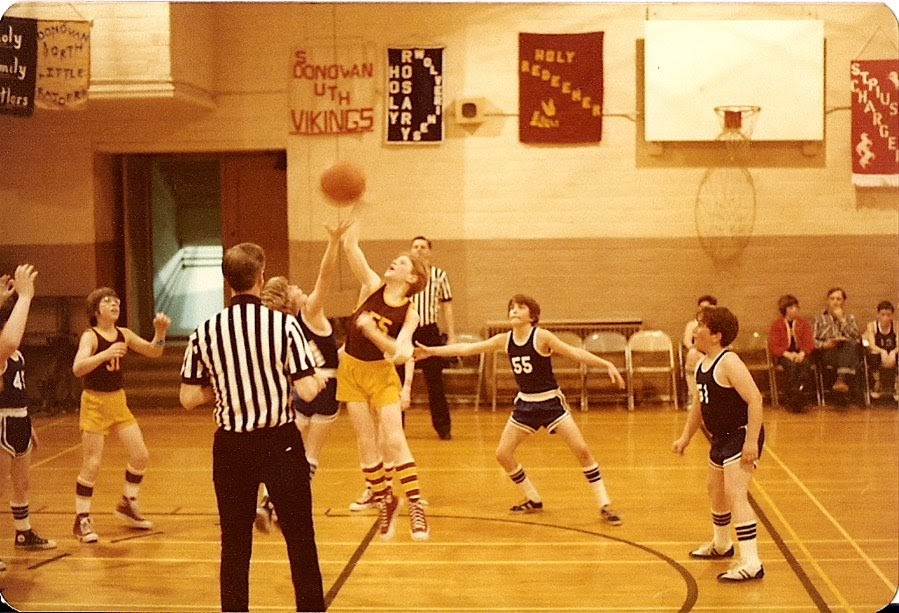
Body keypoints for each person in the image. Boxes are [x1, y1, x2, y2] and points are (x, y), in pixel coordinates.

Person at [179, 242, 326, 612]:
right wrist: (319, 379)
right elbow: (307, 388)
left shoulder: (205, 330)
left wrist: (226, 382)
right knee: (300, 539)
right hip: (280, 443)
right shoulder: (284, 326)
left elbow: (187, 398)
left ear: (228, 282)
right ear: (261, 278)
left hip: (231, 447)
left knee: (235, 543)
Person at [415, 294, 626, 525]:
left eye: (520, 307)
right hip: (526, 404)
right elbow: (468, 348)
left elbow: (574, 353)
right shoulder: (505, 339)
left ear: (532, 315)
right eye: (511, 308)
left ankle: (604, 503)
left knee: (582, 450)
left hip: (550, 403)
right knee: (503, 454)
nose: (514, 311)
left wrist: (605, 363)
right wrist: (432, 351)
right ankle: (533, 498)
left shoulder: (542, 336)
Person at [336, 209, 431, 541]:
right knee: (365, 444)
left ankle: (416, 506)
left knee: (393, 438)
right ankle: (385, 500)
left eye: (402, 263)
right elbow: (351, 247)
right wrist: (358, 205)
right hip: (350, 369)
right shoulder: (372, 286)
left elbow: (401, 353)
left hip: (381, 374)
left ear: (412, 279)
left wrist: (373, 333)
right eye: (396, 259)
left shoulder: (410, 313)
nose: (395, 262)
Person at [254, 220, 350, 532]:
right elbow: (324, 276)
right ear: (290, 298)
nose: (300, 288)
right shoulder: (310, 312)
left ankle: (268, 501)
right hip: (325, 388)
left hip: (298, 389)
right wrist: (333, 242)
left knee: (286, 452)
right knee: (310, 454)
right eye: (294, 287)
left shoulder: (281, 326)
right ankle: (282, 508)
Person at [672, 306, 765, 583]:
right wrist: (685, 438)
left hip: (741, 434)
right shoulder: (702, 364)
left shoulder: (729, 362)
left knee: (735, 493)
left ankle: (751, 562)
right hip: (721, 438)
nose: (695, 329)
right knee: (715, 490)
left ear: (716, 335)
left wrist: (751, 442)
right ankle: (722, 544)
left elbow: (755, 400)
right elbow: (698, 406)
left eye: (701, 325)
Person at [71, 287, 170, 544]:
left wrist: (160, 333)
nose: (114, 304)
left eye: (116, 300)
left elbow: (154, 351)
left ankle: (128, 502)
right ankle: (82, 519)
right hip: (94, 403)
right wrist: (104, 354)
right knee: (92, 463)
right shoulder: (90, 337)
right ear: (96, 310)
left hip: (118, 401)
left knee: (140, 455)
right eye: (107, 301)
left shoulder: (123, 334)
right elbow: (78, 368)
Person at [0, 265, 57, 572]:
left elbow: (18, 389)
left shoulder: (12, 348)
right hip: (0, 421)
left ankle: (23, 533)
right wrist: (25, 296)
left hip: (18, 419)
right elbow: (7, 344)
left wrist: (29, 422)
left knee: (22, 484)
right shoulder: (4, 346)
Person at [400, 236, 456, 441]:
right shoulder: (404, 275)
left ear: (430, 251)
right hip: (405, 331)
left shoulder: (439, 275)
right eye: (415, 247)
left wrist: (451, 335)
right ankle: (397, 427)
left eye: (423, 247)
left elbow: (446, 305)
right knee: (397, 380)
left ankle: (443, 427)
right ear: (410, 251)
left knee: (435, 383)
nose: (419, 250)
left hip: (429, 332)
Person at [768, 295, 815, 413]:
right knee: (792, 368)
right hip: (785, 355)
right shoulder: (777, 325)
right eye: (791, 307)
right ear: (785, 309)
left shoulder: (803, 323)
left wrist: (802, 353)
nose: (794, 309)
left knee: (805, 367)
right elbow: (774, 346)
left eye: (795, 307)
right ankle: (792, 397)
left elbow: (809, 341)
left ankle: (801, 395)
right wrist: (788, 354)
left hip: (801, 354)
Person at [813, 287, 862, 398]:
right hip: (828, 352)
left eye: (838, 299)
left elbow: (856, 336)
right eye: (832, 299)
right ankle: (842, 381)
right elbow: (812, 340)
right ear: (828, 301)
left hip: (846, 352)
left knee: (852, 344)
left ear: (843, 301)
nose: (835, 302)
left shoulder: (850, 318)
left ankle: (840, 380)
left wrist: (842, 320)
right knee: (851, 354)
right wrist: (824, 344)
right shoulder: (819, 319)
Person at [682, 295, 718, 407]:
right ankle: (693, 395)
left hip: (715, 352)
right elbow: (687, 342)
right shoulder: (692, 325)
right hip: (698, 353)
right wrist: (698, 350)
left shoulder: (720, 324)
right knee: (692, 355)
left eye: (707, 308)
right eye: (701, 307)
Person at [864, 300, 898, 401]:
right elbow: (872, 344)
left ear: (892, 315)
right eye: (883, 314)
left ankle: (897, 384)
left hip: (892, 355)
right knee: (872, 354)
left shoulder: (896, 326)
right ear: (878, 314)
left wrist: (893, 352)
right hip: (879, 354)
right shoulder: (872, 326)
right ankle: (877, 382)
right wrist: (882, 351)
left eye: (888, 315)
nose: (885, 318)